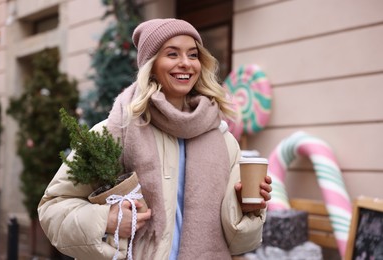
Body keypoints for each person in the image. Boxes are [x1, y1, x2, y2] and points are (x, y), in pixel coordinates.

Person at [38, 18, 272, 260]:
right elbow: (53, 208)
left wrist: (247, 209)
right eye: (172, 54)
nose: (185, 63)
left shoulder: (224, 141)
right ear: (151, 64)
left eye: (193, 55)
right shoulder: (114, 132)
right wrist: (107, 219)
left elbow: (237, 244)